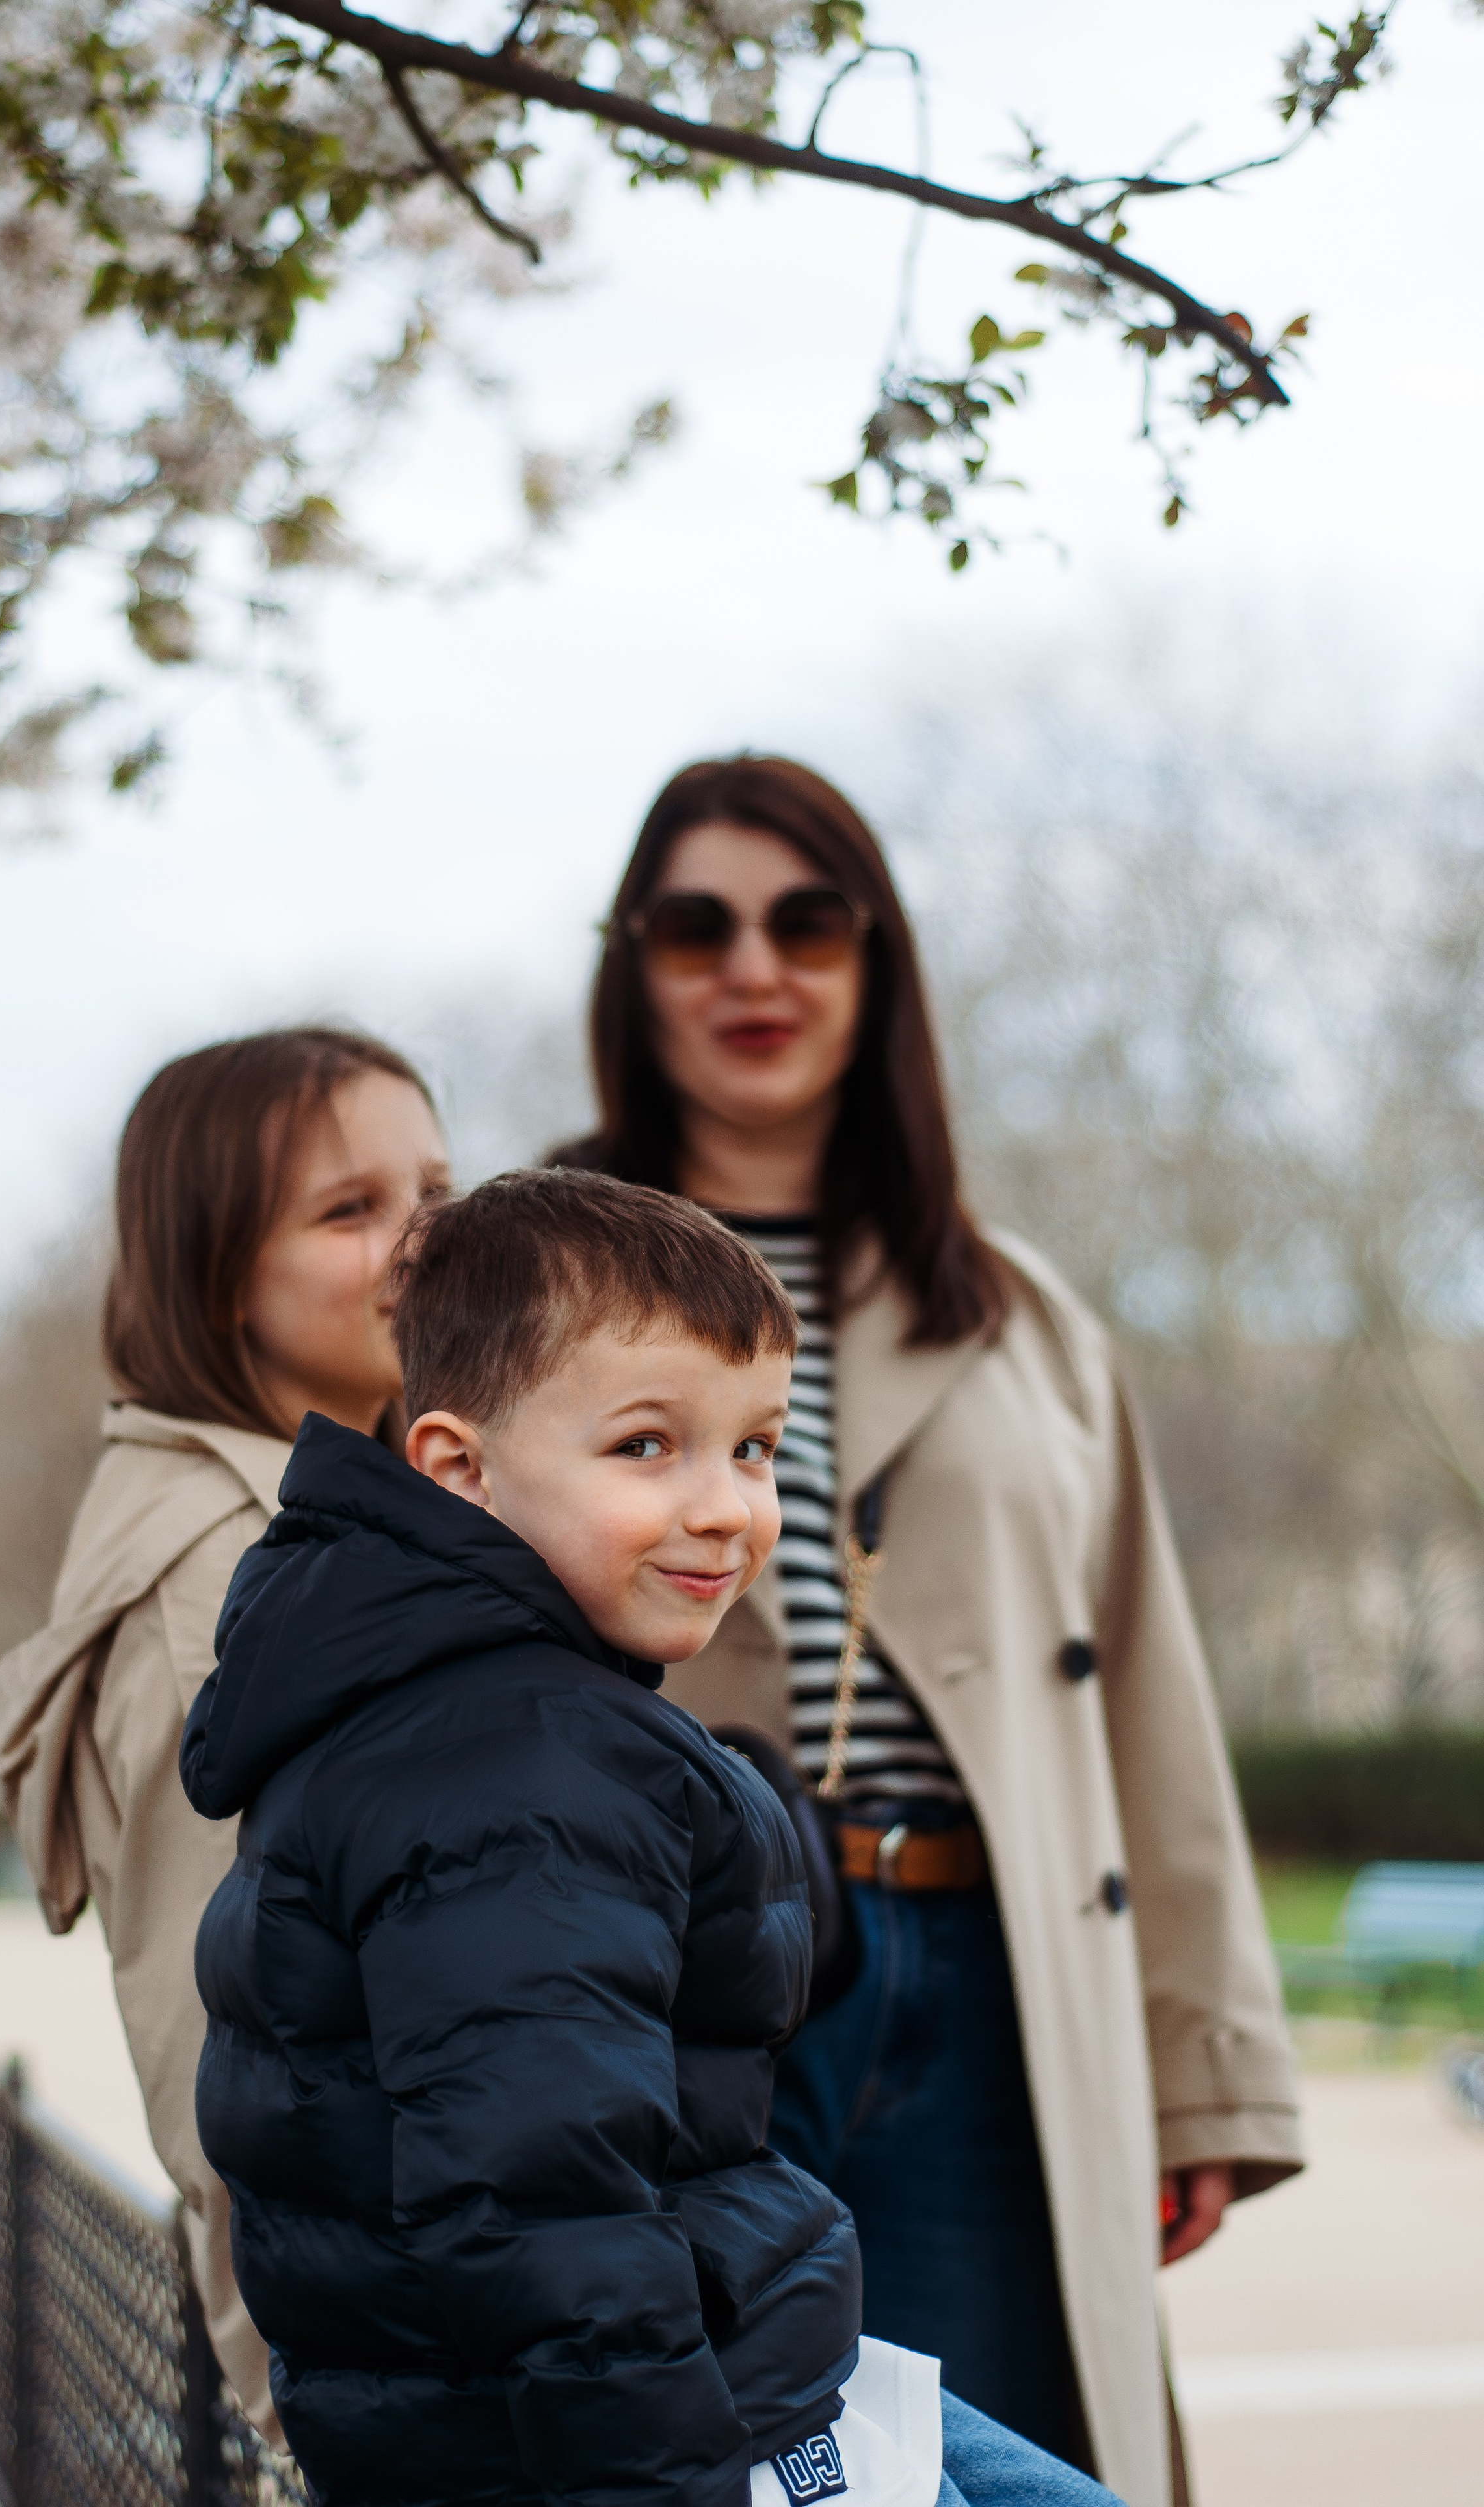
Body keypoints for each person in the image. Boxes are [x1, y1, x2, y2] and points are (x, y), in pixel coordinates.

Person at [553, 758, 1305, 2507]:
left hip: (990, 1990)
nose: (758, 966)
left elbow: (1144, 1699)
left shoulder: (1022, 1308)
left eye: (810, 919)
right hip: (667, 1987)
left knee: (995, 2466)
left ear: (876, 962)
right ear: (632, 964)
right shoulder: (523, 1274)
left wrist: (1201, 2075)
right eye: (698, 923)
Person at [181, 1167, 1124, 2507]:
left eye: (752, 1446)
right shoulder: (515, 1761)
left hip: (704, 2368)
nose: (724, 1506)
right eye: (645, 1445)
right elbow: (542, 2218)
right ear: (460, 1466)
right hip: (652, 2433)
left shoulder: (480, 1714)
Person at [0, 1026, 447, 2444]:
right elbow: (231, 2077)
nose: (423, 1242)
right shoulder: (230, 1588)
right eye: (348, 1209)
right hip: (431, 2377)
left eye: (435, 1191)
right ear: (214, 1269)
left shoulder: (348, 1512)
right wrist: (335, 2421)